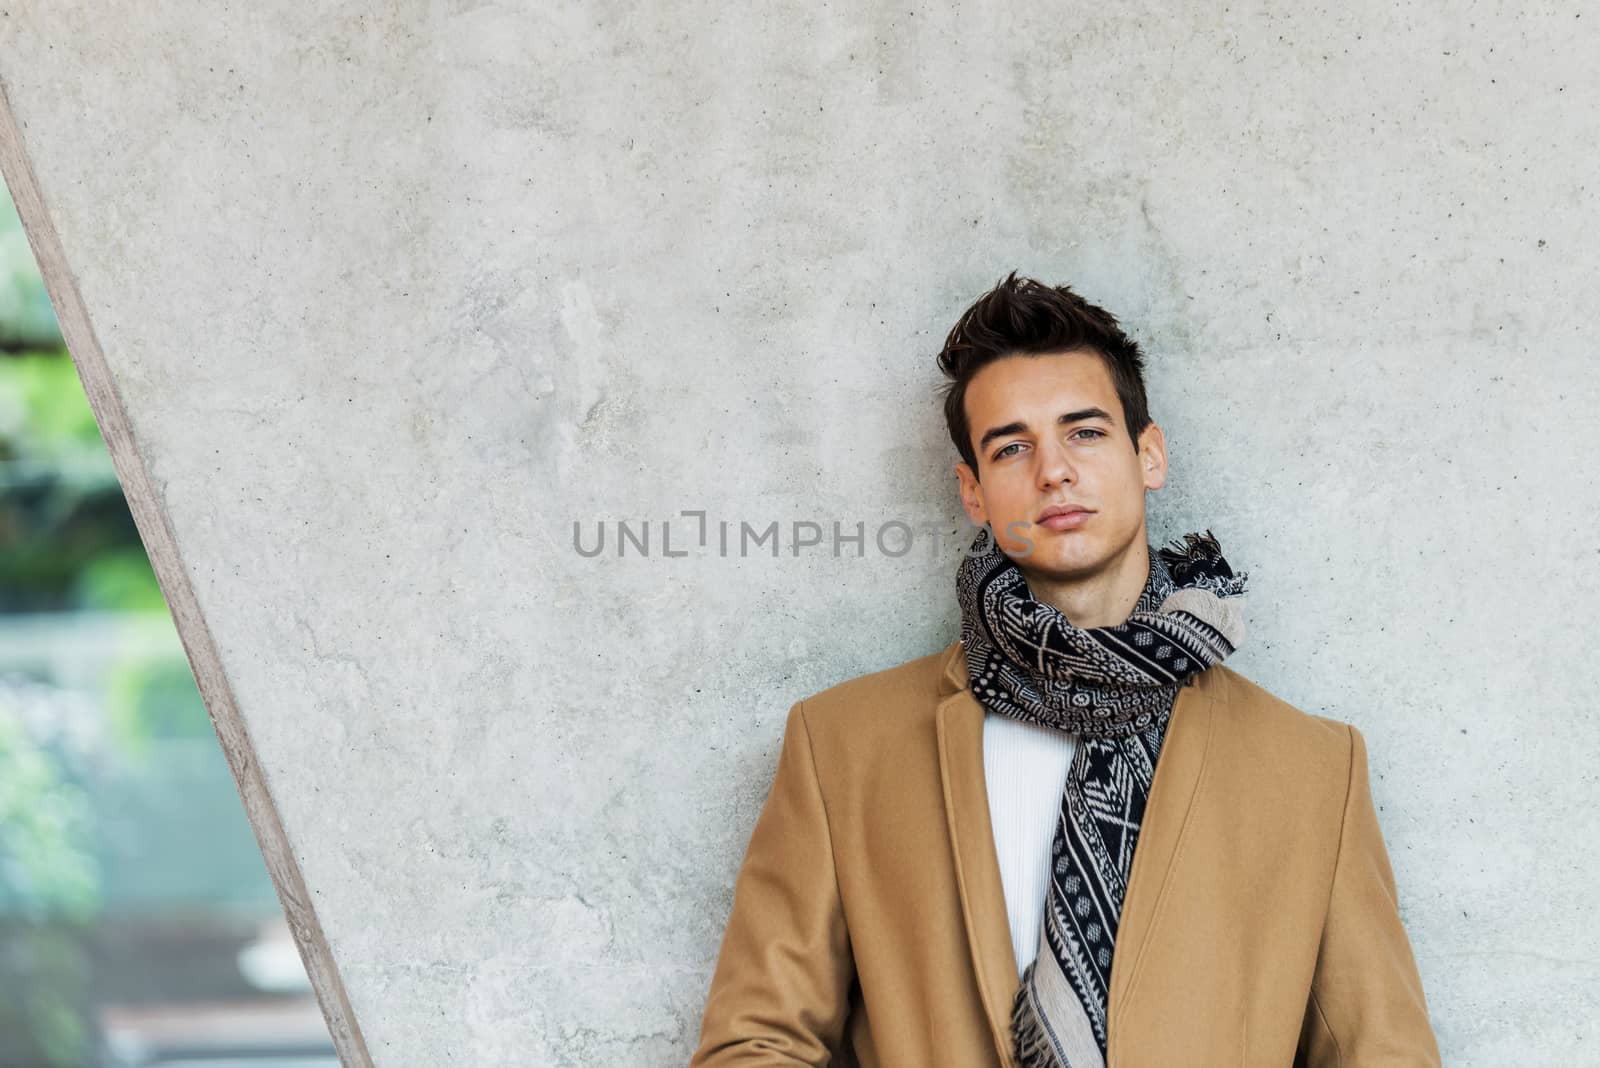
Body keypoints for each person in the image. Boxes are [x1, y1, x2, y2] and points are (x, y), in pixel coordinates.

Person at [689, 272, 1441, 1067]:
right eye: (1012, 447)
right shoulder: (841, 747)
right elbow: (755, 1042)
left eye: (1084, 432)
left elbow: (1381, 1052)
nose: (1053, 471)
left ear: (1148, 454)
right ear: (974, 492)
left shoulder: (1314, 770)